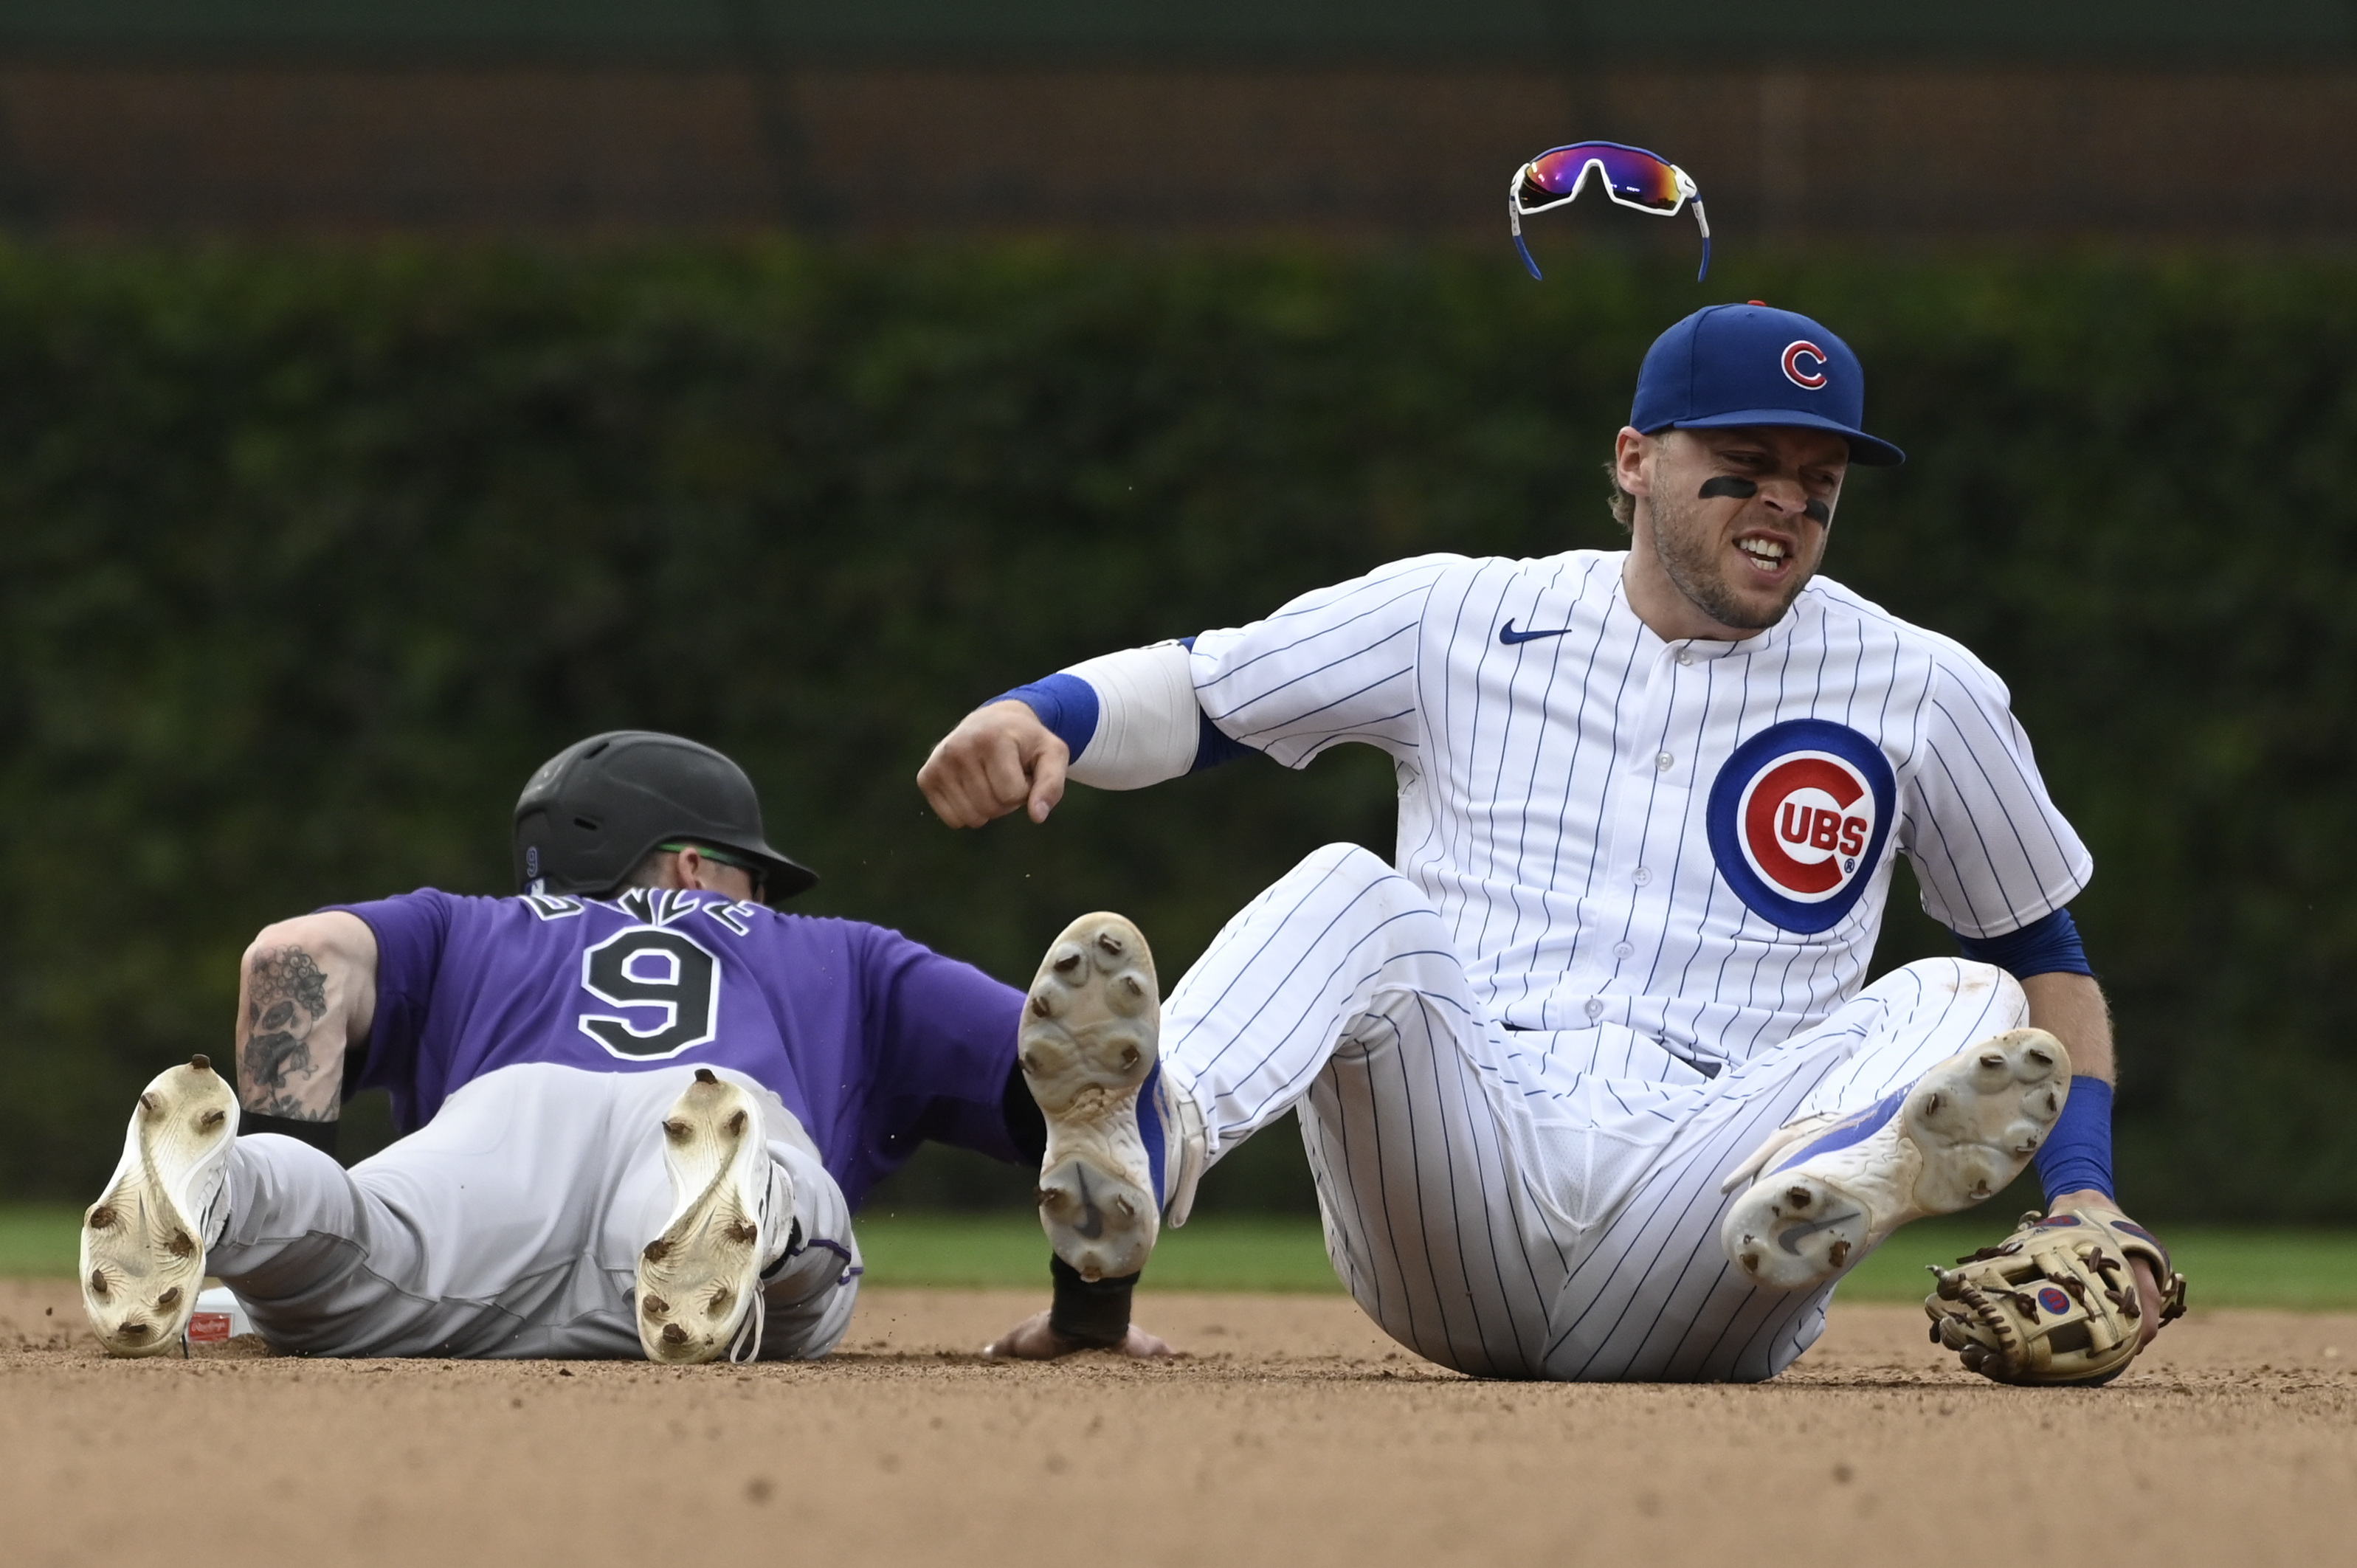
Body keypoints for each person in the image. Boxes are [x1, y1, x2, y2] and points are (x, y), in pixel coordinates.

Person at [920, 303, 2184, 1381]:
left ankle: (1842, 1169)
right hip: (1461, 1168)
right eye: (1744, 463)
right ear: (1634, 458)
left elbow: (2044, 950)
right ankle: (1146, 1137)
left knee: (1970, 988)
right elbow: (1208, 692)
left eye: (1819, 483)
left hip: (1717, 1206)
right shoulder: (1458, 613)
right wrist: (1040, 713)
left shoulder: (1921, 685)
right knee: (1351, 892)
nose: (1784, 504)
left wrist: (2081, 1193)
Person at [79, 731, 1167, 1361]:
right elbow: (1067, 1095)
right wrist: (1091, 1311)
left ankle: (234, 1194)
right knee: (800, 1273)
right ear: (693, 866)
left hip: (497, 1132)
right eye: (746, 867)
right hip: (721, 1110)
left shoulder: (472, 923)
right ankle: (746, 1205)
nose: (757, 891)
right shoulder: (842, 951)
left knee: (345, 1252)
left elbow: (293, 954)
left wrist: (284, 1131)